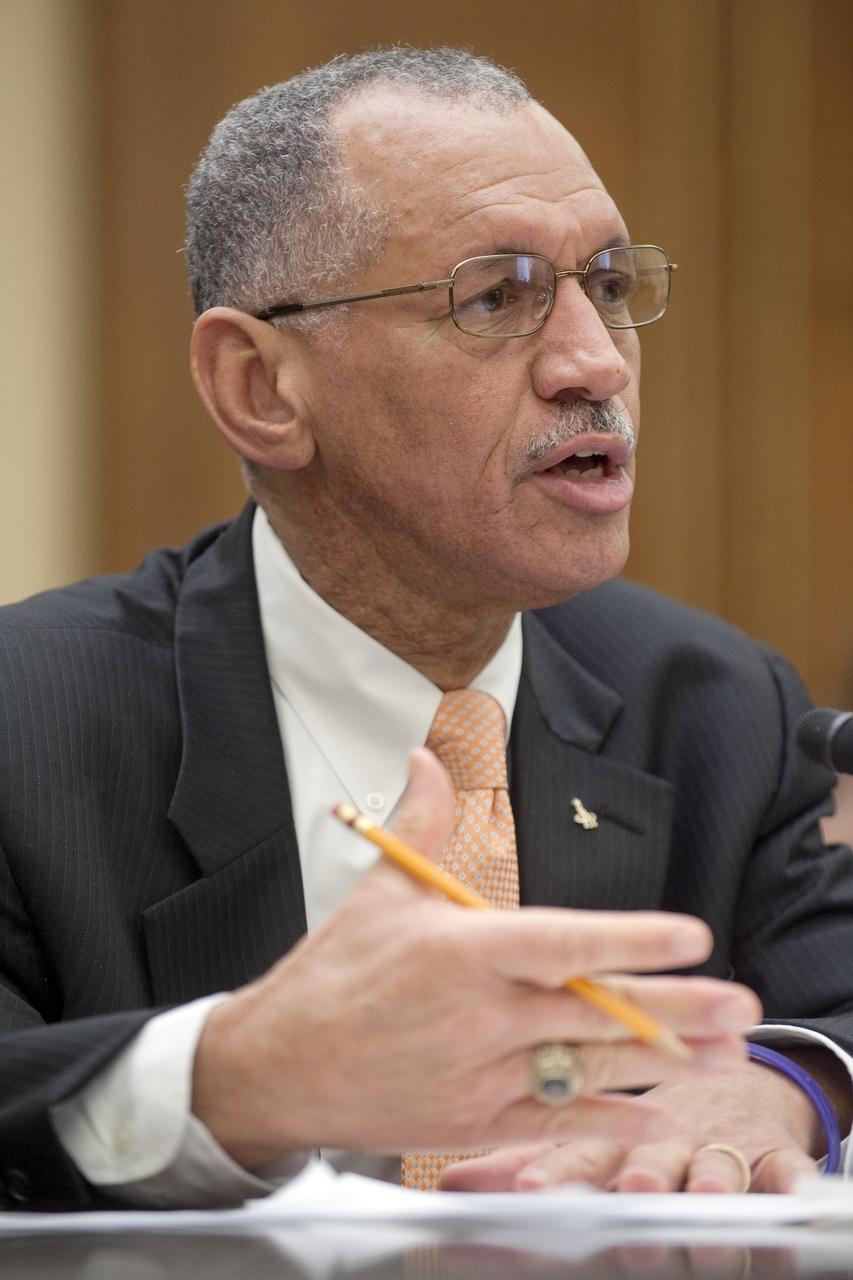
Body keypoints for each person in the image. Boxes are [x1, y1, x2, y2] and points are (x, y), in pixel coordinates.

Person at [0, 47, 851, 1213]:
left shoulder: (712, 704)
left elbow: (834, 1002)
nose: (594, 361)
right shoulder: (24, 725)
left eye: (607, 283)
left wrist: (775, 1081)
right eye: (495, 296)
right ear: (260, 387)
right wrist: (240, 1078)